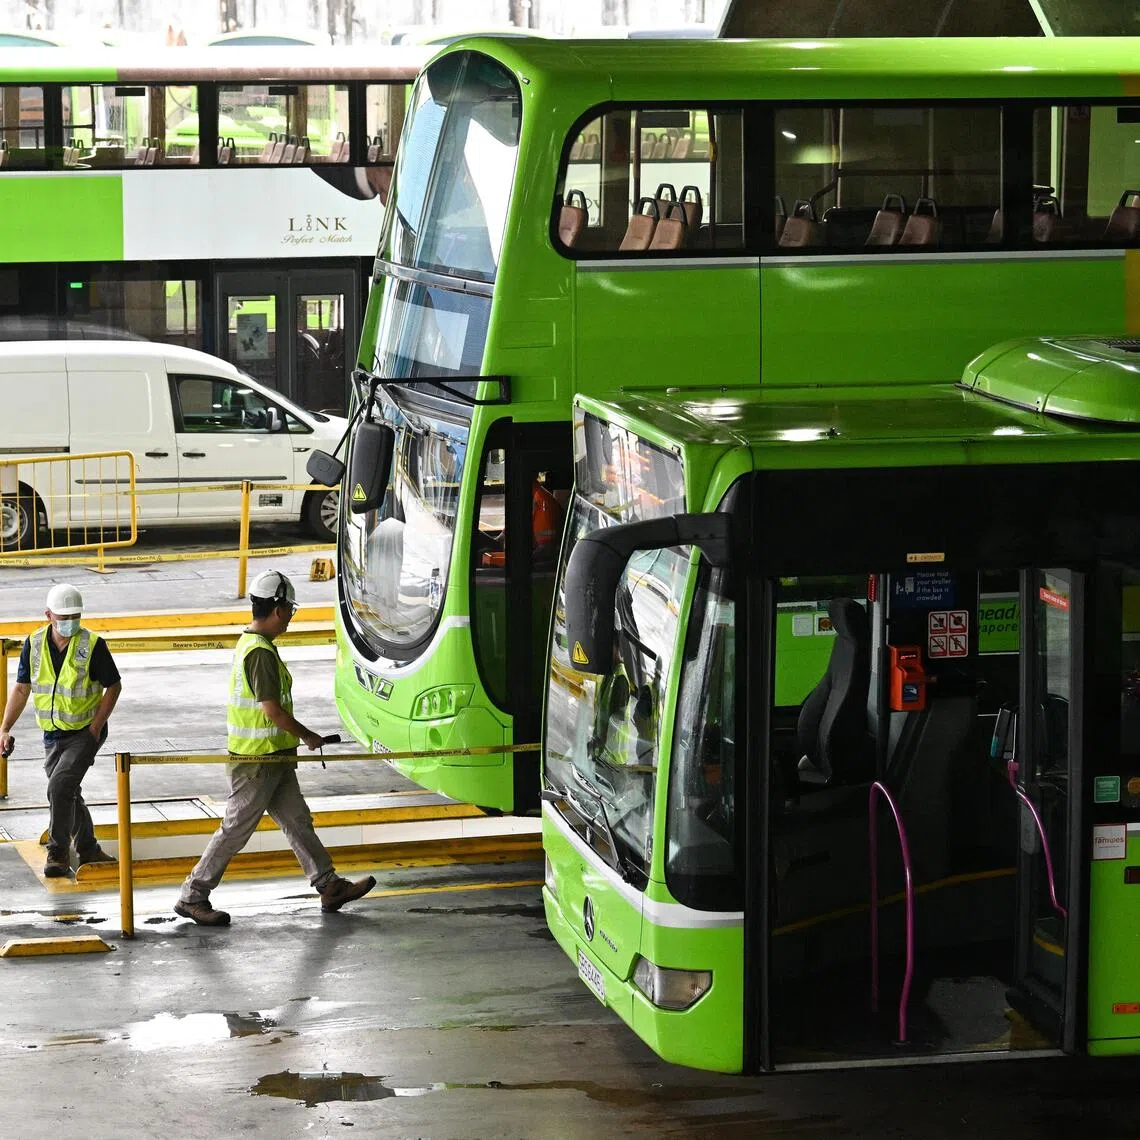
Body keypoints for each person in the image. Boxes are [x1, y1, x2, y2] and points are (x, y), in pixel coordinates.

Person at [174, 570, 375, 926]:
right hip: (257, 761)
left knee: (298, 822)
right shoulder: (260, 654)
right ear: (279, 610)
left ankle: (329, 886)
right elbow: (273, 711)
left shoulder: (254, 644)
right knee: (235, 830)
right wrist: (308, 736)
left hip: (274, 758)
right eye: (291, 611)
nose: (291, 619)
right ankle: (192, 896)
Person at [0, 583, 120, 877]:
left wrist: (96, 727)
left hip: (84, 733)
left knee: (59, 787)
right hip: (52, 734)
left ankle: (58, 852)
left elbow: (113, 686)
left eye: (74, 616)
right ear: (48, 615)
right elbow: (22, 688)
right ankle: (89, 848)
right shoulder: (35, 643)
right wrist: (4, 728)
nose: (69, 623)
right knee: (67, 792)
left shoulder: (92, 645)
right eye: (62, 617)